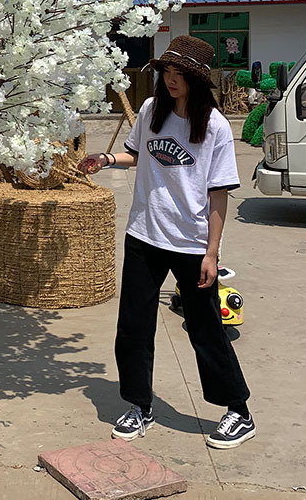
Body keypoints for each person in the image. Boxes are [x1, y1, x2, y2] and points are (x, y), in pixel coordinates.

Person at [78, 35, 254, 449]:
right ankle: (140, 404)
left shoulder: (215, 127)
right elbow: (138, 155)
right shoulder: (150, 110)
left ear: (197, 79)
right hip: (144, 234)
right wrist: (105, 160)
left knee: (206, 329)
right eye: (167, 72)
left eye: (180, 74)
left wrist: (212, 252)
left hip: (192, 243)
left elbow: (218, 193)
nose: (171, 80)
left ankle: (238, 410)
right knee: (133, 327)